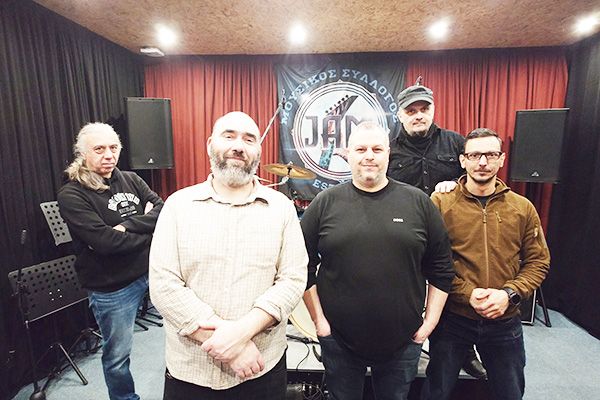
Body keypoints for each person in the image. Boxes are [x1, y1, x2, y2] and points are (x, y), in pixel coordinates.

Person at [149, 111, 308, 400]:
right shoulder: (177, 206)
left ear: (258, 151)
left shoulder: (282, 208)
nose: (238, 146)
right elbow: (163, 285)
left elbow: (293, 279)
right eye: (229, 136)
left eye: (249, 139)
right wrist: (232, 346)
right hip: (191, 370)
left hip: (261, 367)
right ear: (210, 144)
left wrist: (240, 334)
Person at [300, 121, 454, 400]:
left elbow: (442, 268)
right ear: (348, 154)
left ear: (388, 154)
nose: (369, 156)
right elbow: (301, 265)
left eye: (377, 149)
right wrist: (319, 322)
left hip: (404, 342)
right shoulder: (324, 203)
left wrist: (428, 325)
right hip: (338, 341)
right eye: (361, 149)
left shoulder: (419, 203)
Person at [421, 128, 551, 400]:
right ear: (462, 160)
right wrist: (467, 294)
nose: (482, 162)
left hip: (504, 319)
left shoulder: (522, 207)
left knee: (510, 392)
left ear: (501, 159)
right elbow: (430, 261)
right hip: (453, 318)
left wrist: (509, 294)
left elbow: (538, 261)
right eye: (474, 155)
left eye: (490, 155)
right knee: (436, 391)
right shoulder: (441, 203)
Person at [388, 79, 487, 379]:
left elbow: (478, 177)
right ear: (400, 114)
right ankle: (393, 351)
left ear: (433, 110)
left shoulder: (456, 143)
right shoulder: (388, 148)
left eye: (424, 109)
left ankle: (464, 352)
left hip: (450, 236)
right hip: (404, 236)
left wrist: (457, 183)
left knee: (453, 295)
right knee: (400, 295)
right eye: (411, 110)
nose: (418, 115)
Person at [57, 122, 164, 400]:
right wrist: (148, 229)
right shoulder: (72, 194)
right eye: (99, 149)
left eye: (114, 147)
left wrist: (126, 226)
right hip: (112, 288)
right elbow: (106, 243)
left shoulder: (131, 179)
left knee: (180, 333)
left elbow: (162, 210)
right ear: (82, 153)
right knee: (117, 356)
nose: (109, 155)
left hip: (150, 271)